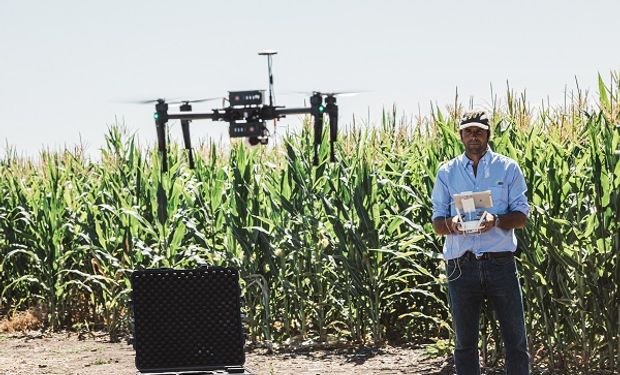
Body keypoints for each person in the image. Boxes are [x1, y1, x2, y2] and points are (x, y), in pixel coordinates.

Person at [431, 111, 531, 374]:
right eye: (468, 131)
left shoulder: (508, 168)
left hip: (500, 264)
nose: (473, 136)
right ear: (461, 135)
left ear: (488, 134)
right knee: (464, 344)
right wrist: (452, 224)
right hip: (461, 266)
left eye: (478, 131)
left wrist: (496, 220)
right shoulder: (447, 172)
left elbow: (521, 217)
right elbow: (437, 223)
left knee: (516, 341)